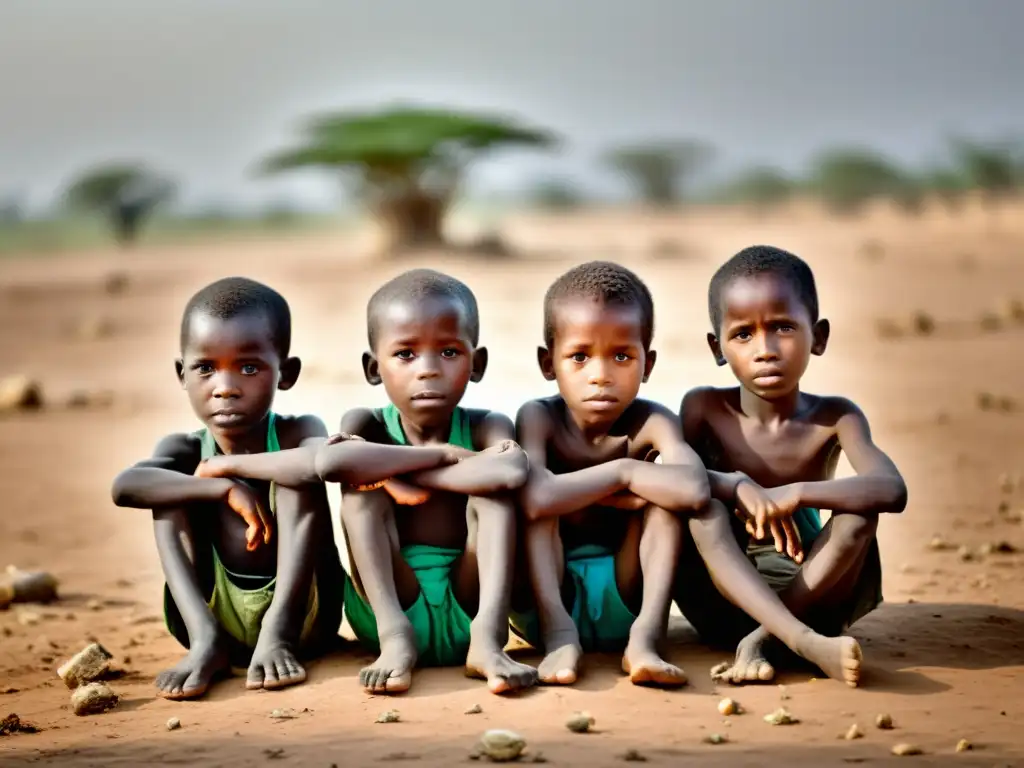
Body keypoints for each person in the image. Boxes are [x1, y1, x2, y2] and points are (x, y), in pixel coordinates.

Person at [514, 260, 865, 688]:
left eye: (622, 356)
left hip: (626, 596)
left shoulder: (653, 420)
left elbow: (694, 488)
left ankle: (645, 640)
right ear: (548, 363)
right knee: (542, 516)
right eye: (580, 357)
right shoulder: (539, 417)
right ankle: (561, 636)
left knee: (667, 507)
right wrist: (627, 473)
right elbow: (536, 498)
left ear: (649, 363)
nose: (601, 376)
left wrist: (626, 482)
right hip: (548, 605)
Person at [678, 245, 907, 684]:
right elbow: (669, 479)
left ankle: (766, 637)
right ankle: (788, 638)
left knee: (859, 516)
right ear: (717, 347)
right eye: (743, 334)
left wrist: (797, 493)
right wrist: (736, 485)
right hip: (722, 606)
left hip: (815, 597)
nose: (765, 350)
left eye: (782, 327)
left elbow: (891, 488)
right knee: (700, 510)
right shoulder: (704, 408)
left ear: (817, 336)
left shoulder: (835, 417)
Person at [111, 277, 343, 699]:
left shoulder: (299, 430)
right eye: (205, 368)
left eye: (249, 367)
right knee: (168, 493)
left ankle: (277, 633)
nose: (225, 388)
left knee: (295, 477)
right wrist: (220, 489)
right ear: (182, 374)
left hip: (305, 619)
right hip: (213, 613)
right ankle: (206, 642)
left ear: (285, 373)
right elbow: (126, 487)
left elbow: (319, 463)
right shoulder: (182, 449)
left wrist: (227, 466)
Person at [314, 268, 538, 695]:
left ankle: (489, 643)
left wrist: (396, 468)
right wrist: (444, 454)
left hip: (470, 602)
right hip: (388, 607)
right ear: (373, 367)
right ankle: (396, 640)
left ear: (478, 363)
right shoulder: (366, 423)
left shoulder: (487, 425)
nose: (429, 370)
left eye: (450, 352)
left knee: (494, 497)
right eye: (405, 354)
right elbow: (333, 463)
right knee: (361, 497)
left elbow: (508, 470)